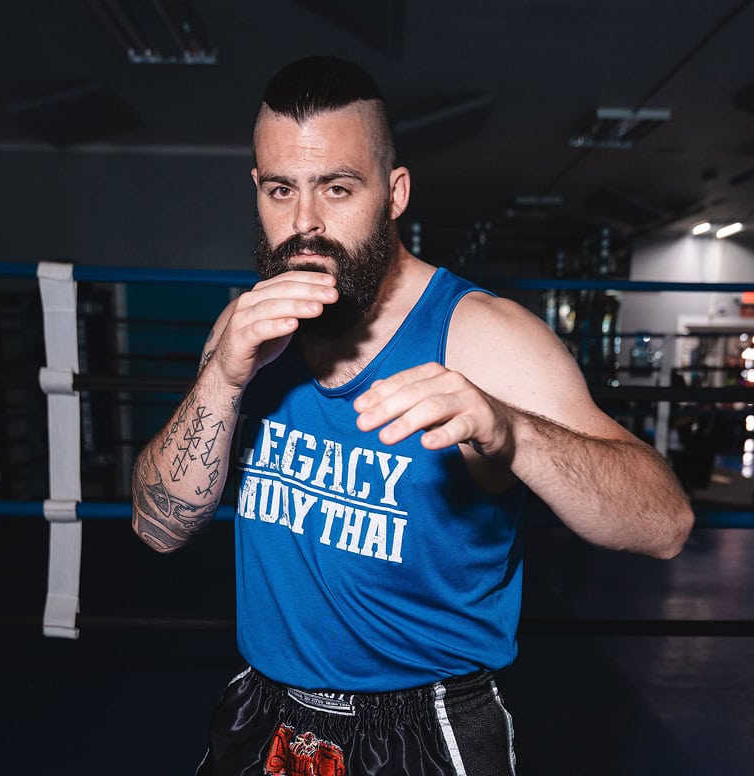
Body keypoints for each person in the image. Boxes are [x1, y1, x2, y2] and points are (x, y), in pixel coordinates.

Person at [131, 56, 694, 775]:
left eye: (337, 188)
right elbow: (158, 528)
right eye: (281, 190)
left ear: (394, 193)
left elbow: (665, 525)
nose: (305, 225)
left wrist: (512, 432)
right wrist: (223, 376)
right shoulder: (247, 327)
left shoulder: (485, 337)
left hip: (420, 728)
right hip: (261, 711)